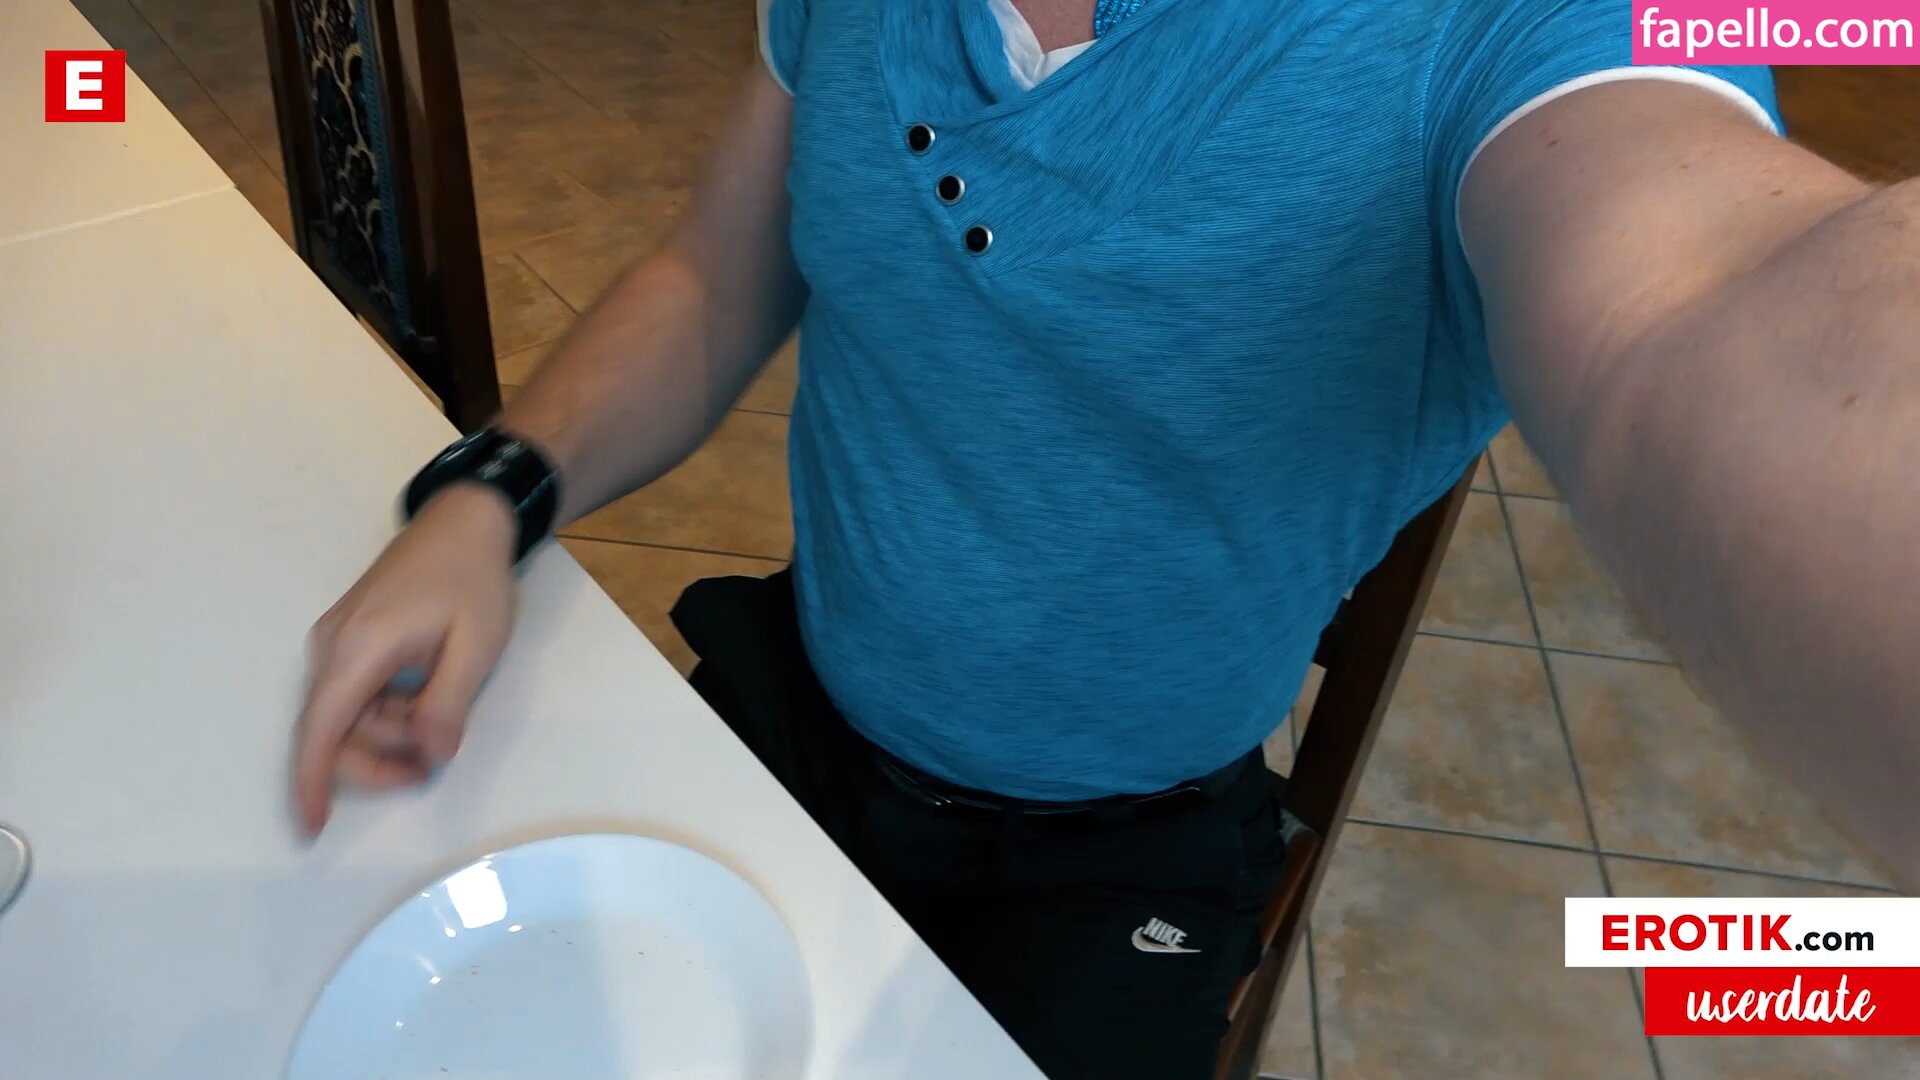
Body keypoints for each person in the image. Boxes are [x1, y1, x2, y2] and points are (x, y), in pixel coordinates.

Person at [292, 1, 1920, 1076]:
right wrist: (494, 493)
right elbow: (713, 273)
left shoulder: (1520, 36)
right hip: (794, 719)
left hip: (1123, 852)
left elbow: (1697, 305)